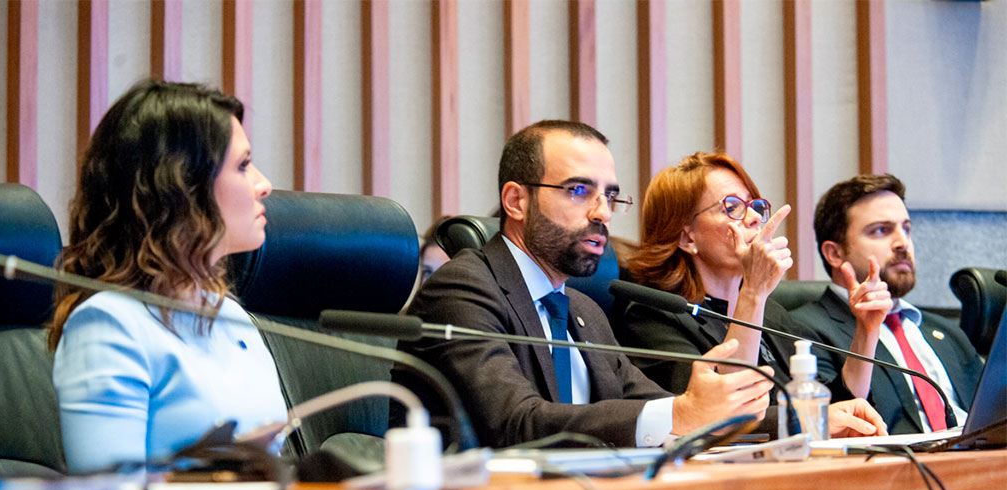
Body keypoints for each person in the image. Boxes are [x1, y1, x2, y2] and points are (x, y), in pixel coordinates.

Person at [399, 121, 885, 448]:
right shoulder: (464, 288)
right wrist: (683, 414)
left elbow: (669, 408)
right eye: (578, 191)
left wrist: (811, 421)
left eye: (610, 196)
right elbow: (516, 423)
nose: (601, 213)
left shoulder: (584, 312)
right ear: (516, 200)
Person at [49, 80, 287, 473]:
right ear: (182, 189)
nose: (264, 185)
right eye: (243, 166)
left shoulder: (232, 316)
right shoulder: (108, 323)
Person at [619, 152, 890, 436]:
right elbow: (722, 417)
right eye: (732, 208)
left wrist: (867, 330)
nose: (753, 218)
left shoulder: (771, 312)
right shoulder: (653, 317)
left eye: (754, 206)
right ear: (687, 237)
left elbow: (833, 410)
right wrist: (754, 291)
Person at [791, 174, 983, 434]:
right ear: (835, 253)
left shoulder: (947, 332)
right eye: (881, 230)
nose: (902, 243)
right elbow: (829, 427)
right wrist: (866, 332)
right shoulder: (801, 331)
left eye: (906, 228)